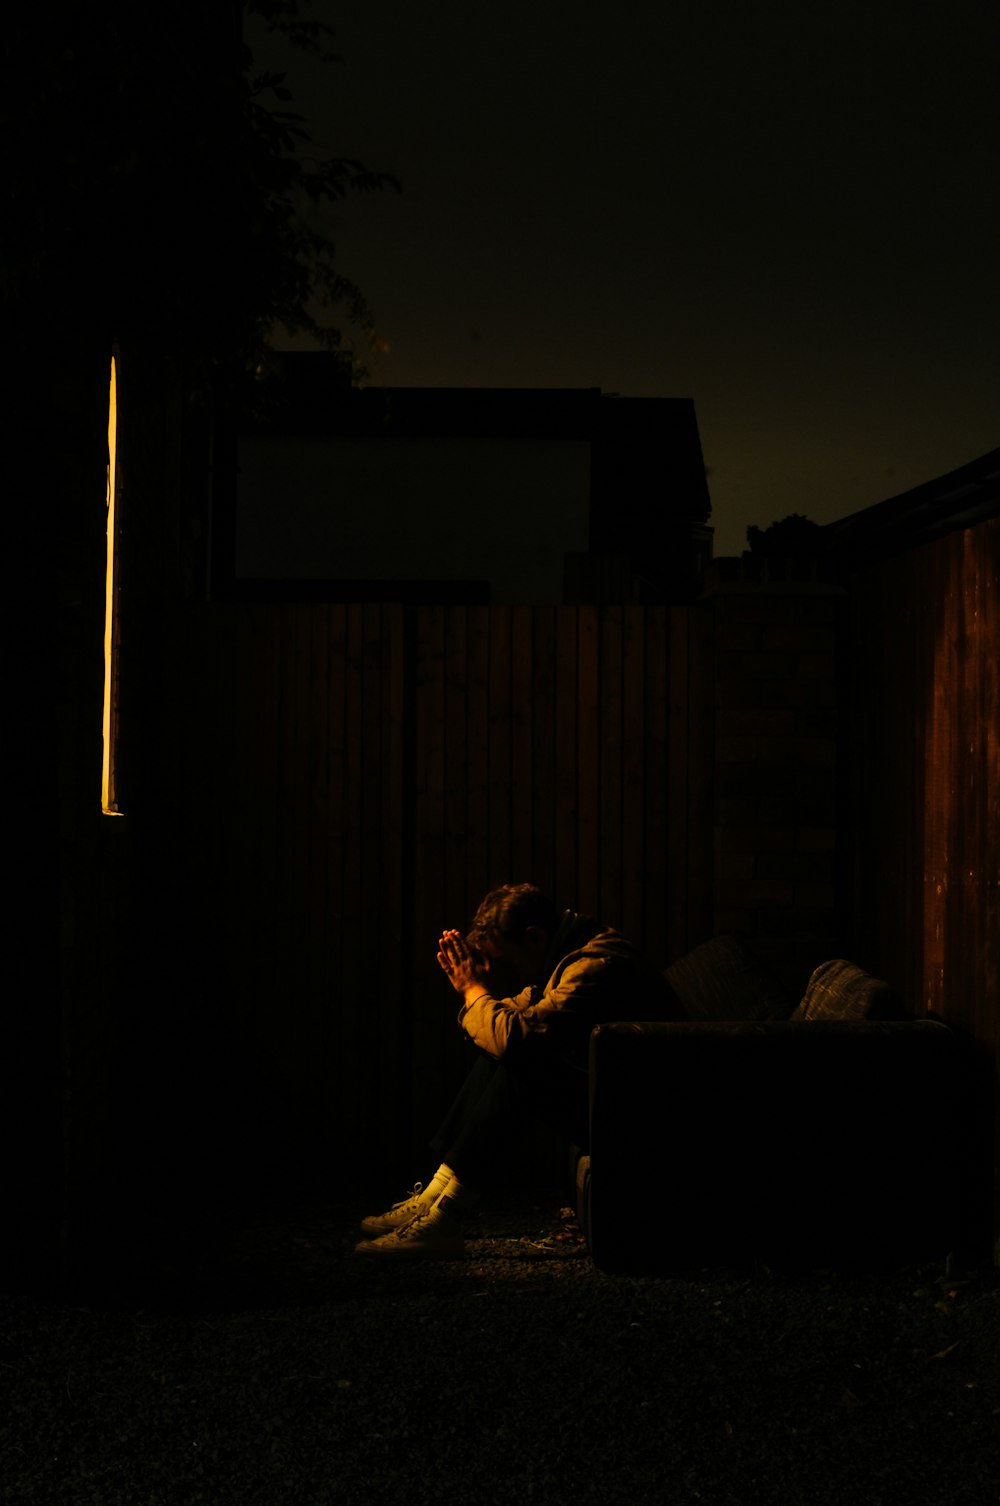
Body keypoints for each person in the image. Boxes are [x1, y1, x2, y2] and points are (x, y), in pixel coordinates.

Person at [355, 882, 672, 1259]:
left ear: (533, 937)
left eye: (505, 960)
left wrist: (474, 991)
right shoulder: (566, 954)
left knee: (525, 1060)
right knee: (509, 1049)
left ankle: (446, 1216)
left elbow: (516, 1037)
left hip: (650, 1118)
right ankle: (433, 1198)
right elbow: (511, 1022)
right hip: (624, 1101)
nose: (505, 971)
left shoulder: (594, 966)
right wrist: (481, 1003)